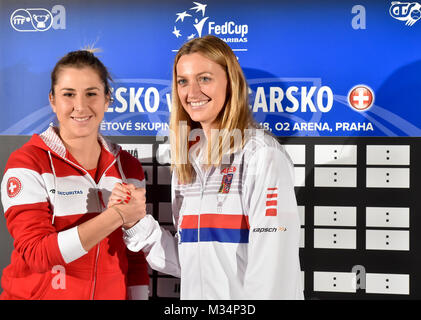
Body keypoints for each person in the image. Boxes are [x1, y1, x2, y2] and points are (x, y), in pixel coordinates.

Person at [111, 35, 303, 299]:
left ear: (230, 83)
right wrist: (136, 222)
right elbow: (191, 263)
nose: (192, 93)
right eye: (183, 81)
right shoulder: (187, 163)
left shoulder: (261, 156)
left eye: (205, 78)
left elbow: (274, 271)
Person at [0, 50, 149, 300]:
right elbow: (37, 254)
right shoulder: (28, 162)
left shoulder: (128, 167)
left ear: (107, 99)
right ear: (52, 100)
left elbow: (134, 255)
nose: (80, 106)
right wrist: (117, 216)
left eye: (91, 94)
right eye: (68, 94)